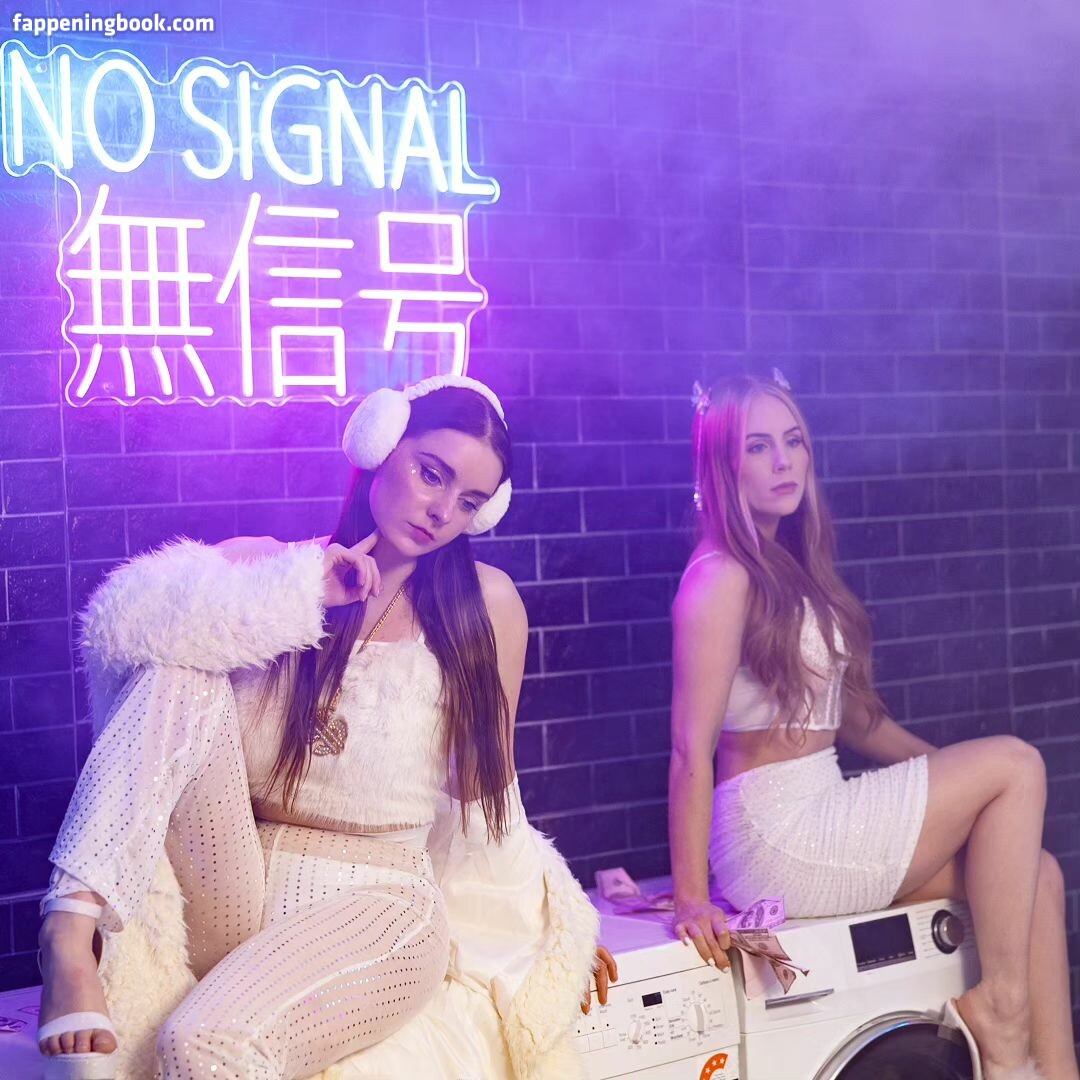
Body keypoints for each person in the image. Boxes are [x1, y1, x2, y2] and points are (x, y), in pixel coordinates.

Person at [36, 375, 614, 1080]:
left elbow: (484, 805)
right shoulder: (274, 568)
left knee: (199, 1044)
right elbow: (118, 631)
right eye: (431, 474)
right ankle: (67, 928)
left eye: (468, 502)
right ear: (378, 443)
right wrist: (300, 592)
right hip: (236, 887)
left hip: (379, 903)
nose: (441, 511)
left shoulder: (485, 606)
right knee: (176, 658)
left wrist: (546, 935)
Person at [667, 373, 1077, 1080]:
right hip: (776, 831)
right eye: (758, 447)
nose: (784, 462)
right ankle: (1000, 1012)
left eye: (793, 441)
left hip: (821, 808)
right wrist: (690, 896)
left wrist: (968, 794)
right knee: (1017, 762)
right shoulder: (720, 577)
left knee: (1036, 875)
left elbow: (857, 719)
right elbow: (687, 748)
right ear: (723, 466)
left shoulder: (790, 567)